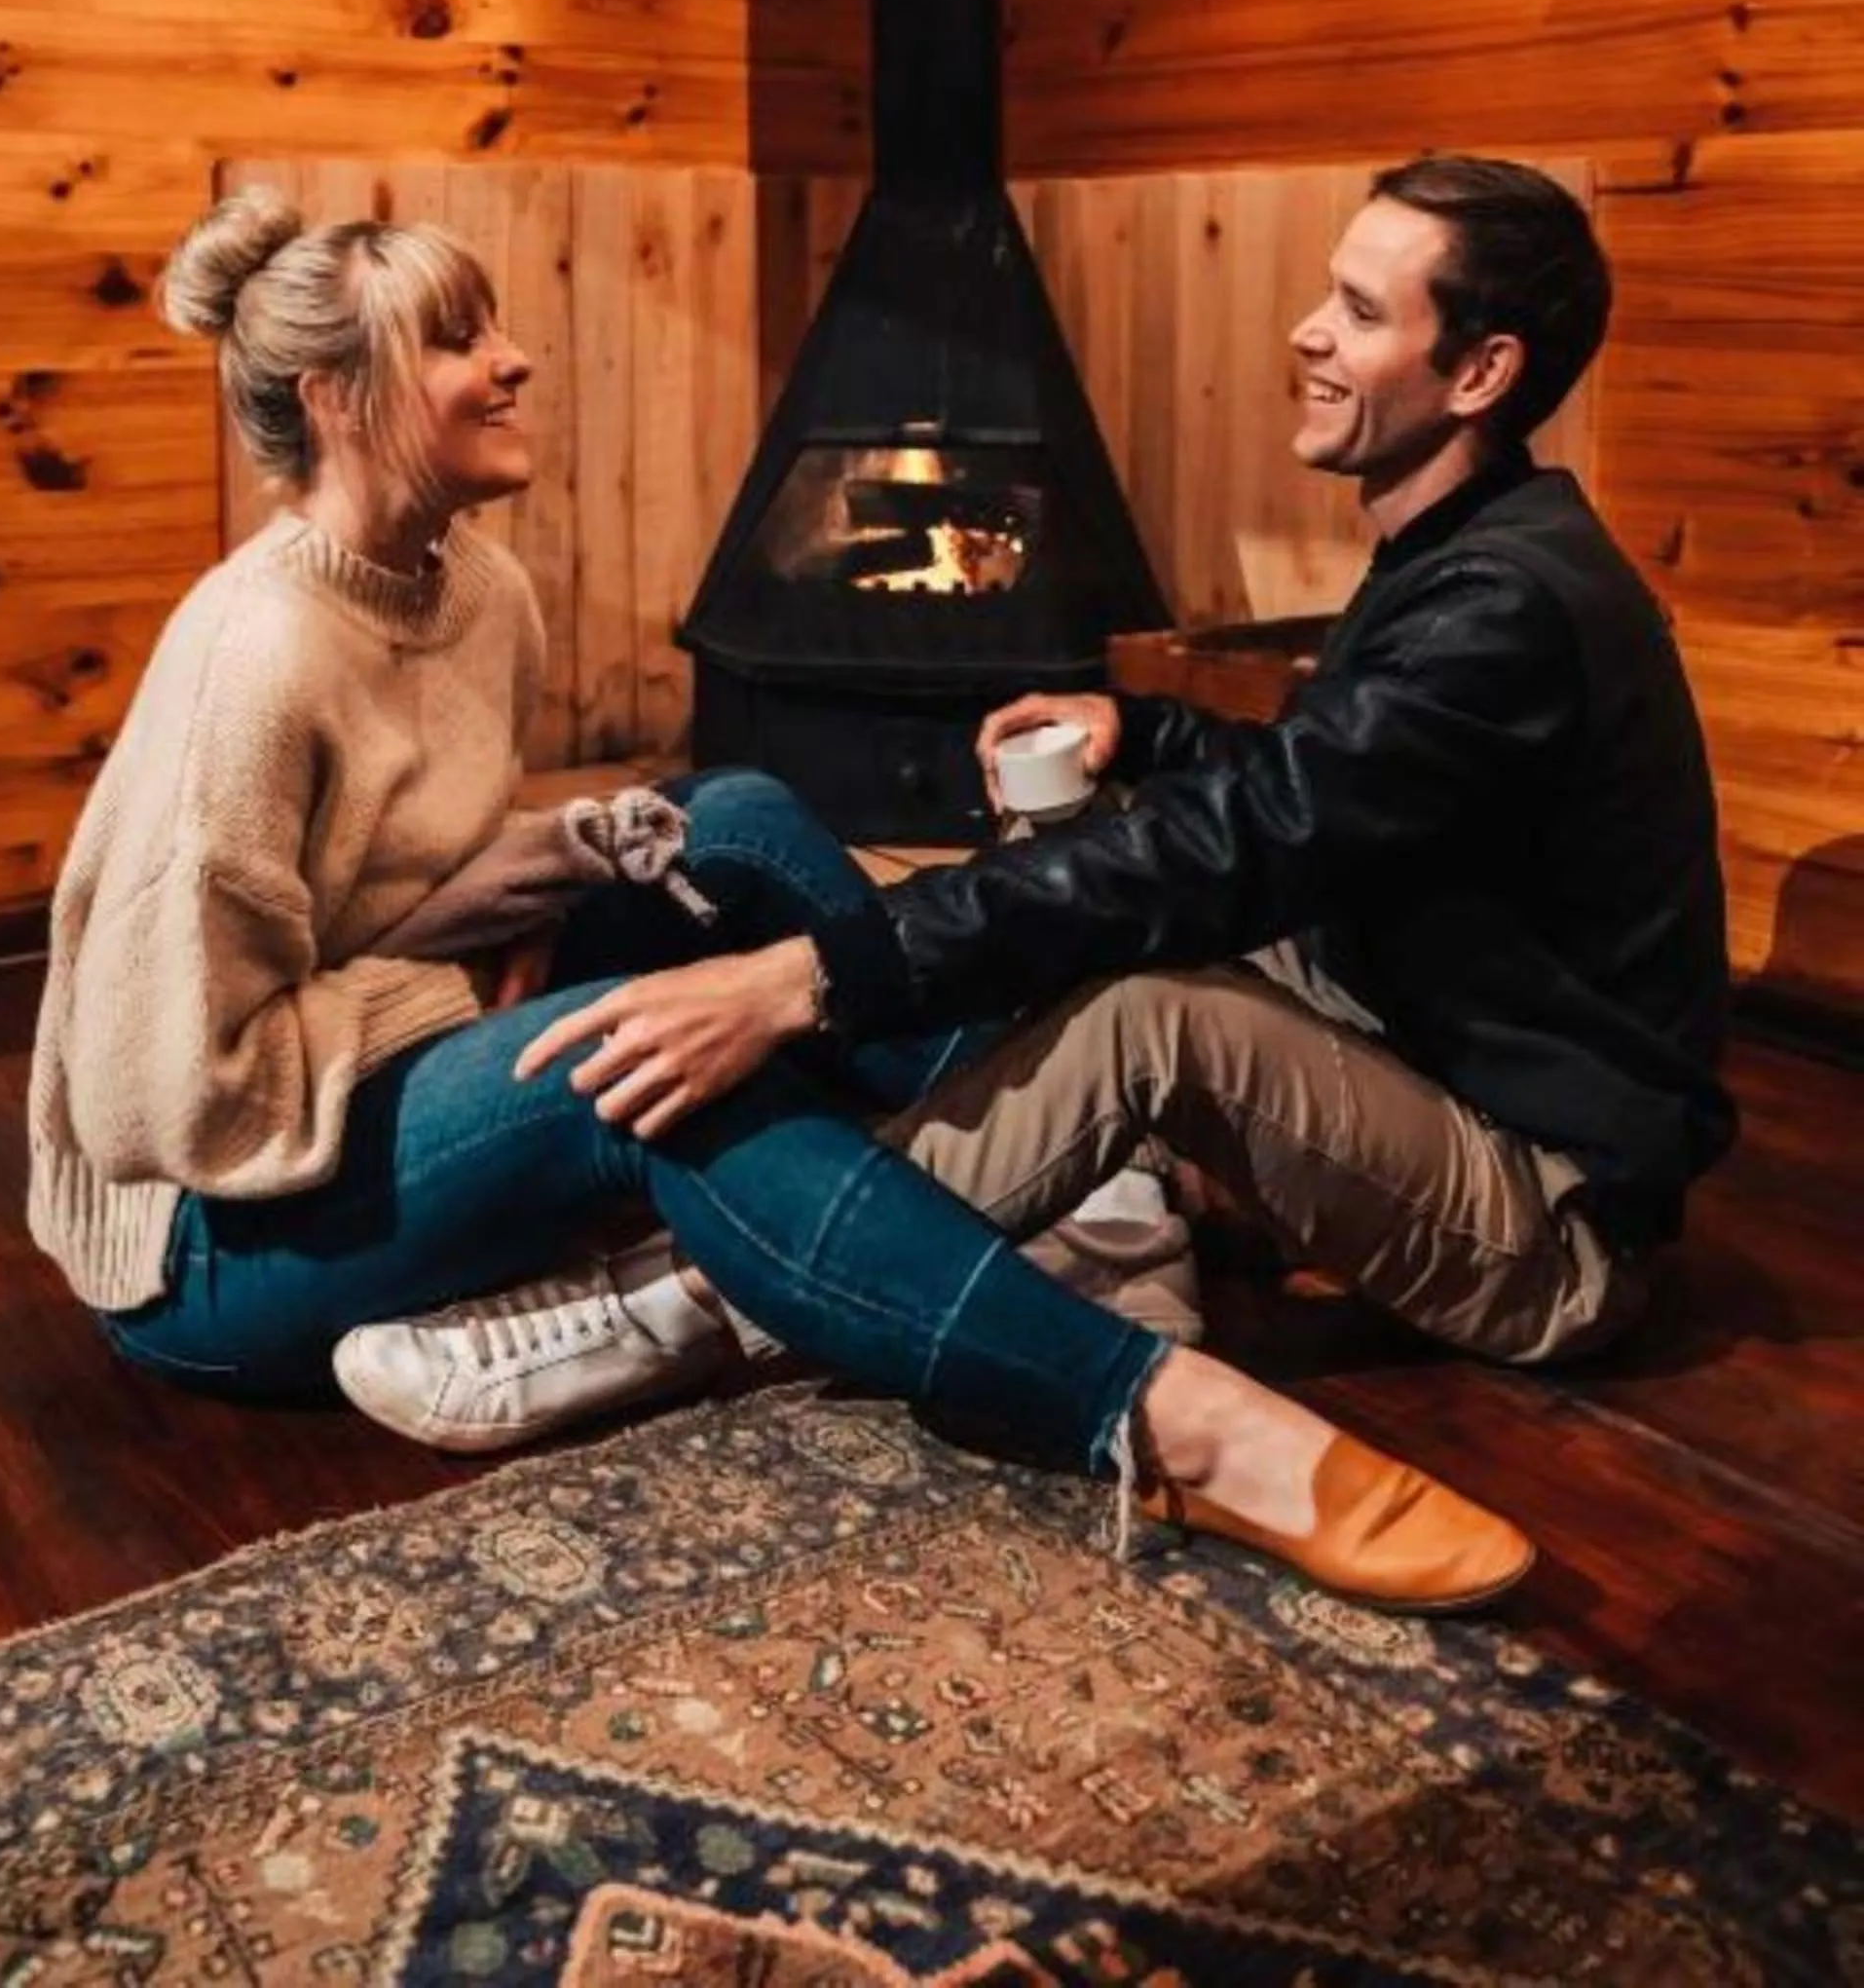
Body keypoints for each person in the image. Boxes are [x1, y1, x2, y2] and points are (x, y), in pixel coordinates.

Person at [24, 187, 1535, 1617]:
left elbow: (391, 885)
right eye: (458, 339)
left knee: (729, 820)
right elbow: (165, 1097)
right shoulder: (251, 657)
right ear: (344, 402)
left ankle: (1036, 1155)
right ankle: (1166, 1423)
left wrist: (546, 871)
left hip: (352, 1074)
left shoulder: (480, 592)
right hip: (213, 1240)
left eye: (497, 326)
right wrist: (466, 988)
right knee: (645, 1056)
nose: (517, 358)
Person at [487, 155, 1734, 1420]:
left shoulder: (1504, 603)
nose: (1307, 330)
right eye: (1324, 293)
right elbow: (1323, 796)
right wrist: (1135, 730)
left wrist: (812, 978)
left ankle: (689, 1302)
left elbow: (1243, 845)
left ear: (1481, 372)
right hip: (1428, 1042)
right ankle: (1090, 1197)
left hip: (1553, 1221)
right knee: (1107, 867)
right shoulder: (1472, 550)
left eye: (1360, 312)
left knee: (1155, 1004)